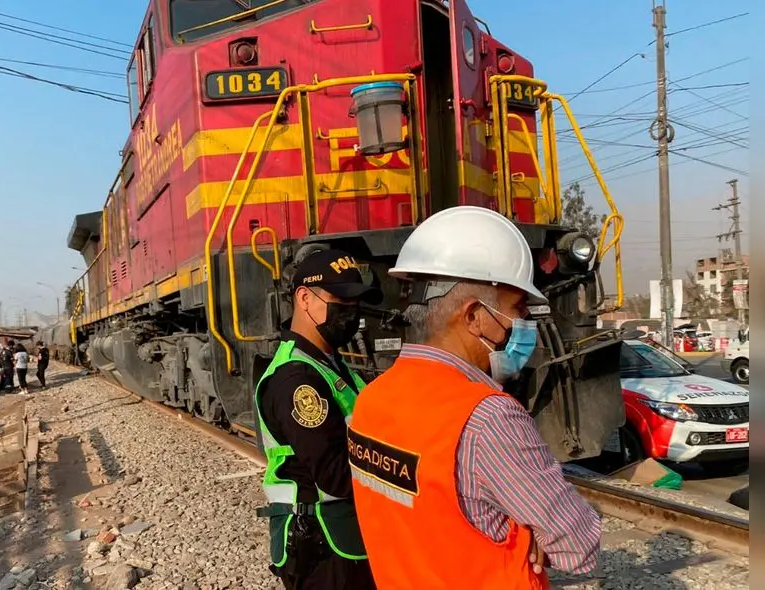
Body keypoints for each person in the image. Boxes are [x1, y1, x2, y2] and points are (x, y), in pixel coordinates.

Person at [348, 206, 601, 589]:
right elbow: (579, 545)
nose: (523, 324)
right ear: (473, 317)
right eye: (516, 308)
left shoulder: (372, 399)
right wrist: (524, 527)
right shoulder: (487, 418)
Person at [255, 248, 381, 590]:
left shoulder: (329, 363)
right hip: (325, 546)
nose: (351, 311)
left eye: (356, 302)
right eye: (340, 299)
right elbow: (336, 476)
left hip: (347, 536)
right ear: (304, 298)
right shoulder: (297, 380)